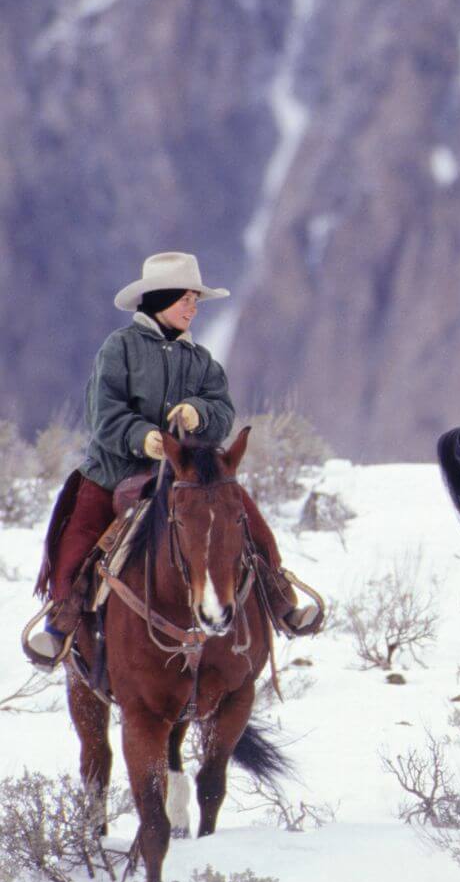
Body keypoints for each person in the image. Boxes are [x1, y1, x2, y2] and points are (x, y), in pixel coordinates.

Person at [24, 253, 321, 668]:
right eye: (186, 299)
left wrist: (198, 412)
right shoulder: (119, 349)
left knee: (248, 523)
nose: (193, 308)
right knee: (78, 543)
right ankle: (62, 620)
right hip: (114, 471)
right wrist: (143, 438)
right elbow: (103, 413)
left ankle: (279, 597)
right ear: (161, 299)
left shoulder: (201, 360)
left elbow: (222, 409)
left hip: (187, 475)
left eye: (195, 300)